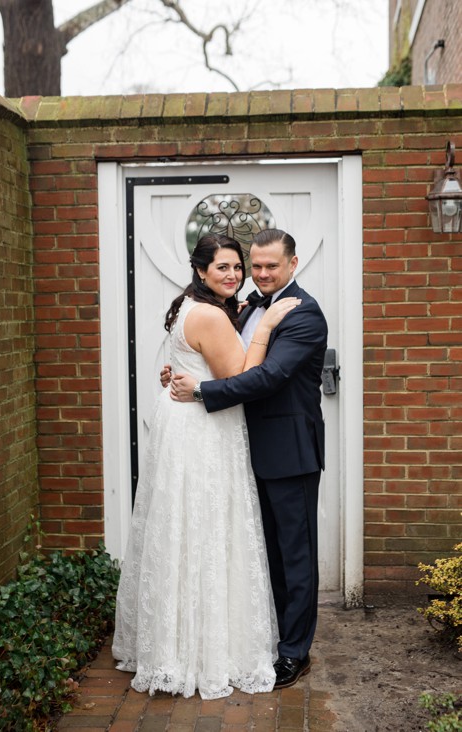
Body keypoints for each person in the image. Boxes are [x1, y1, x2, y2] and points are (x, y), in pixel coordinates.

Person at [112, 233, 300, 700]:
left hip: (187, 425)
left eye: (238, 266)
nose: (235, 275)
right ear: (201, 271)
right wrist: (266, 325)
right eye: (224, 267)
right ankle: (207, 651)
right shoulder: (213, 315)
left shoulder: (185, 306)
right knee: (210, 529)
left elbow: (188, 362)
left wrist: (183, 375)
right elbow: (239, 376)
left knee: (186, 530)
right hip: (204, 431)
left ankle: (175, 644)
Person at [168, 228, 328, 690]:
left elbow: (267, 378)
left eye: (269, 266)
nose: (258, 274)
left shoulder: (303, 314)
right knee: (264, 554)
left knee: (295, 557)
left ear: (293, 265)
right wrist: (185, 371)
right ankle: (272, 637)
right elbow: (224, 356)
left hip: (289, 451)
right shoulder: (242, 308)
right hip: (238, 451)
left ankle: (295, 653)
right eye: (253, 266)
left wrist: (200, 390)